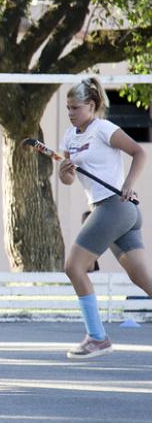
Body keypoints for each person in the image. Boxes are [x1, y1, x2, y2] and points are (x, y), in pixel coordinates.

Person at [59, 77, 151, 359]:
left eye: (75, 107)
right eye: (67, 108)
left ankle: (97, 337)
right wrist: (65, 172)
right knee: (140, 276)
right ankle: (96, 337)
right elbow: (68, 179)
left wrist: (128, 183)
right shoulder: (69, 136)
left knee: (74, 267)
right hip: (112, 211)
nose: (71, 113)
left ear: (91, 105)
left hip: (115, 207)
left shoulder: (103, 128)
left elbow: (139, 151)